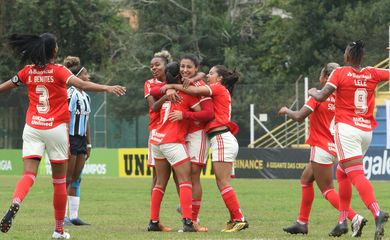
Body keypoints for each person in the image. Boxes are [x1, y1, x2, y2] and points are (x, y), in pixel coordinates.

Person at [0, 33, 126, 239]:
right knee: (59, 182)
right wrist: (107, 87)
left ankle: (16, 202)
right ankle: (59, 230)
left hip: (32, 127)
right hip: (56, 129)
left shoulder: (27, 72)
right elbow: (82, 85)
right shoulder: (59, 71)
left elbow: (5, 86)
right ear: (54, 51)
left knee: (28, 175)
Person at [308, 40, 389, 239]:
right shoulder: (372, 72)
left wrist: (311, 92)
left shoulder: (340, 72)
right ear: (362, 57)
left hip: (346, 130)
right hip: (365, 131)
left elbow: (321, 96)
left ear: (347, 56)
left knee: (355, 175)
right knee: (342, 172)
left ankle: (378, 212)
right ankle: (342, 221)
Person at [279, 63, 366, 237]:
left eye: (321, 74)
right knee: (306, 179)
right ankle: (302, 223)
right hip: (336, 147)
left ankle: (355, 217)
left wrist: (286, 110)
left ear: (326, 78)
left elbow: (299, 117)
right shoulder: (344, 99)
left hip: (321, 147)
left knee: (327, 190)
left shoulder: (318, 96)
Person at [162, 65, 248, 232]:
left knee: (222, 182)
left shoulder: (217, 87)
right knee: (222, 182)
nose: (208, 76)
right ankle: (234, 218)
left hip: (222, 138)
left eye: (211, 73)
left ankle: (239, 218)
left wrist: (171, 86)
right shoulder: (220, 89)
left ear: (220, 78)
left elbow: (194, 92)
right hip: (221, 138)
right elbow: (197, 80)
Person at [147, 62, 202, 232]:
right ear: (179, 76)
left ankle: (154, 222)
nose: (186, 73)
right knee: (185, 181)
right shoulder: (186, 94)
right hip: (172, 140)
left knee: (160, 182)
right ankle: (188, 222)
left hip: (156, 140)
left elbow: (154, 106)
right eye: (182, 71)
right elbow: (200, 115)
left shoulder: (164, 92)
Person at [168, 54, 214, 232]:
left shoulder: (200, 87)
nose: (185, 70)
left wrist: (184, 115)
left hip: (198, 136)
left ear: (196, 69)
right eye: (182, 66)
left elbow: (209, 114)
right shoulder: (183, 84)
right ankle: (187, 212)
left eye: (189, 67)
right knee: (179, 176)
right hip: (183, 135)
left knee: (193, 177)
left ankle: (194, 220)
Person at [63, 56, 92, 226]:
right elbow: (66, 118)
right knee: (66, 178)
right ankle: (63, 216)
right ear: (78, 77)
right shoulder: (70, 94)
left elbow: (87, 121)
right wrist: (66, 142)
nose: (88, 76)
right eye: (85, 74)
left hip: (81, 139)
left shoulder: (86, 97)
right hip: (71, 139)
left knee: (77, 178)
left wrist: (89, 144)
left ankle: (74, 216)